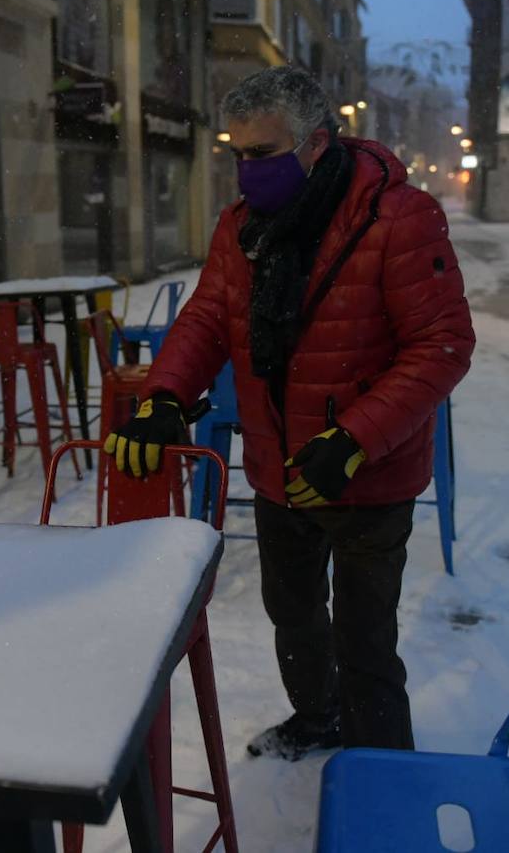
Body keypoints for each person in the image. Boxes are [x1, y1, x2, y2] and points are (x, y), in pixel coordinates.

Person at [104, 66, 475, 760]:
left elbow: (444, 345)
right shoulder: (243, 227)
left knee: (366, 642)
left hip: (367, 476)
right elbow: (208, 317)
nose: (246, 171)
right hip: (279, 467)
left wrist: (355, 439)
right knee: (295, 617)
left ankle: (380, 772)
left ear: (317, 145)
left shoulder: (399, 217)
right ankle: (317, 717)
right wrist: (163, 398)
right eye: (236, 154)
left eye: (262, 154)